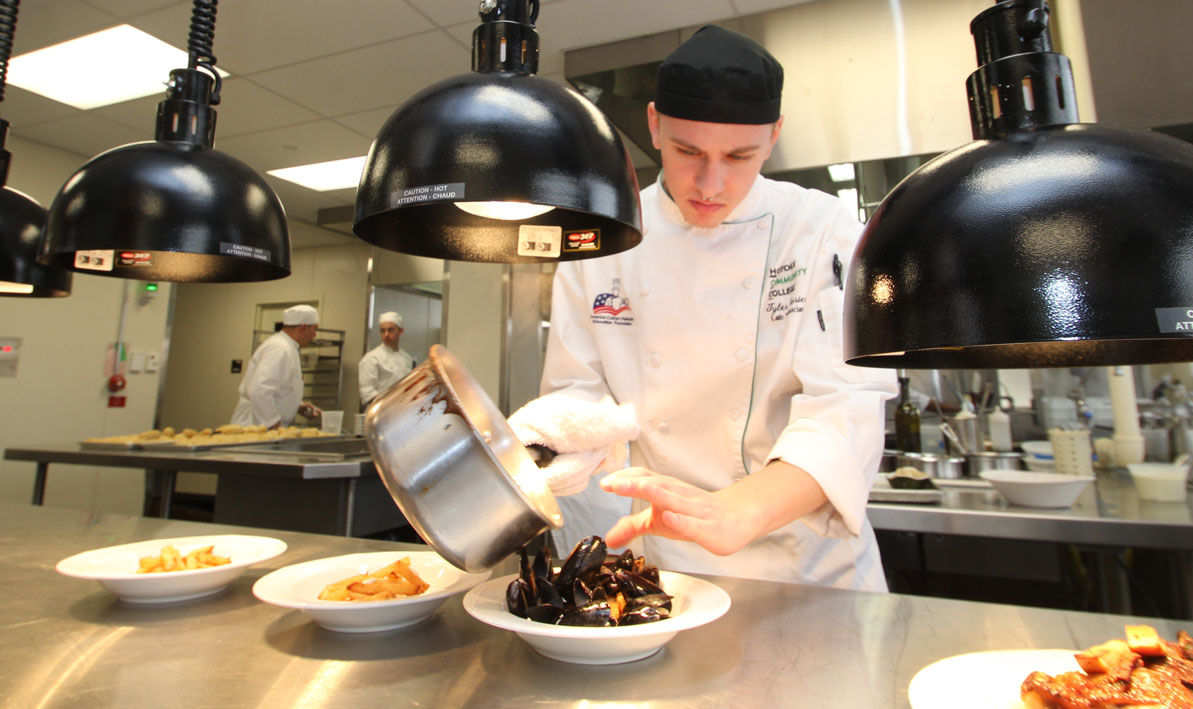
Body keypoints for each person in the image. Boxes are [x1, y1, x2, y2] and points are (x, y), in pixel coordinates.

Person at [512, 25, 897, 591]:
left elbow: (848, 403)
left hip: (798, 563)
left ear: (774, 137)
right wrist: (547, 441)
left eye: (739, 156)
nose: (710, 184)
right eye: (688, 151)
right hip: (654, 555)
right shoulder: (605, 238)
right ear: (654, 126)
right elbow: (579, 396)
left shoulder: (822, 231)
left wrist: (743, 509)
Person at [231, 304, 322, 428]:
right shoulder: (279, 348)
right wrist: (274, 425)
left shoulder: (288, 348)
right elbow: (260, 390)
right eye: (314, 329)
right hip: (257, 427)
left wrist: (297, 406)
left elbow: (278, 388)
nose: (315, 335)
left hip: (267, 426)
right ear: (303, 327)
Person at [358, 311, 415, 407]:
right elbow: (367, 393)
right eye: (382, 331)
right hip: (380, 413)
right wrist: (389, 405)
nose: (386, 334)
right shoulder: (372, 358)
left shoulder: (407, 358)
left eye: (391, 330)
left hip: (402, 410)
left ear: (401, 331)